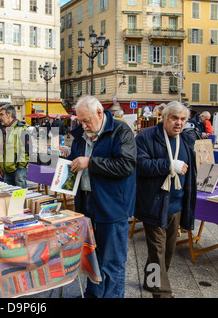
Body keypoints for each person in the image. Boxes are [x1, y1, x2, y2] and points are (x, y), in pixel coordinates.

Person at [67, 95, 137, 298]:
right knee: (91, 256)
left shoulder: (120, 130)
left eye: (86, 120)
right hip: (86, 201)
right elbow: (74, 162)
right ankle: (94, 294)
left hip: (112, 205)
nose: (84, 125)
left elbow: (126, 165)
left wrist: (90, 162)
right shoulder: (80, 133)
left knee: (112, 262)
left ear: (100, 113)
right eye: (80, 120)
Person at [135, 101, 197, 298]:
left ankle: (150, 281)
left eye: (182, 119)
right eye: (174, 118)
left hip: (176, 205)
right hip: (153, 204)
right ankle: (161, 293)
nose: (179, 123)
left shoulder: (186, 139)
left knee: (166, 253)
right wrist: (170, 165)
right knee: (158, 252)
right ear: (163, 118)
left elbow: (190, 172)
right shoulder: (146, 137)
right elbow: (140, 165)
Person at [0, 104, 30, 188]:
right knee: (10, 194)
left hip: (18, 170)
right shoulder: (2, 130)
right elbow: (0, 150)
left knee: (20, 195)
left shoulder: (22, 128)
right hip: (6, 169)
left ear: (9, 115)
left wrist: (21, 167)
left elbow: (27, 150)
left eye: (1, 114)